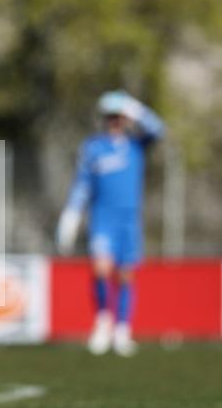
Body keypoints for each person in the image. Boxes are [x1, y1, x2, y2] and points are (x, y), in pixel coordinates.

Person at [56, 90, 165, 357]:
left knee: (126, 274)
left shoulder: (136, 145)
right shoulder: (94, 147)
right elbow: (82, 185)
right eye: (111, 117)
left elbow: (159, 128)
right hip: (103, 218)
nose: (115, 122)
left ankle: (122, 329)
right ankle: (103, 321)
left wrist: (135, 107)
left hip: (129, 219)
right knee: (101, 269)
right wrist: (71, 215)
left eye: (119, 117)